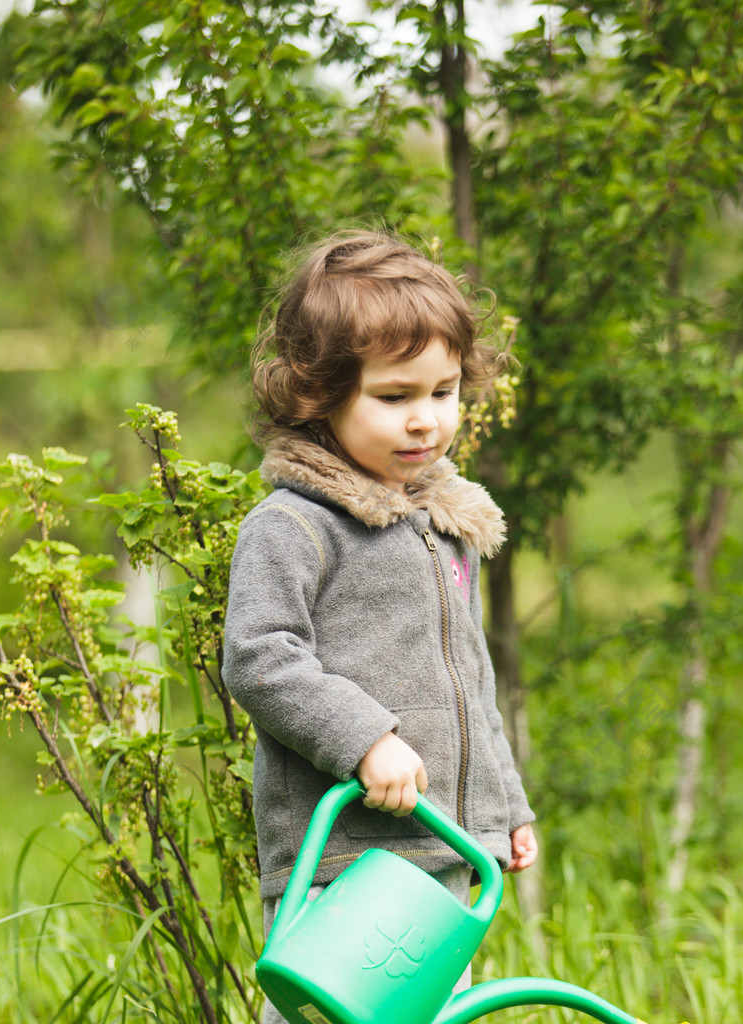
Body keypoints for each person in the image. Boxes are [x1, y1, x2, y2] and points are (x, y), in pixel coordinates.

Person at [222, 230, 537, 1021]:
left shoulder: (443, 521)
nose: (425, 420)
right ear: (318, 394)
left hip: (447, 854)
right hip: (344, 860)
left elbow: (472, 681)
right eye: (394, 397)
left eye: (444, 392)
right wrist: (365, 738)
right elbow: (260, 660)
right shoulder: (294, 525)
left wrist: (505, 809)